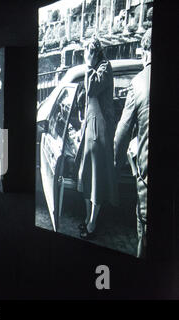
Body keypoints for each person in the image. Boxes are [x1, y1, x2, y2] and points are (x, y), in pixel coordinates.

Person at [114, 29, 152, 258]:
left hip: (148, 179)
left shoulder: (138, 83)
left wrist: (114, 165)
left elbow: (122, 132)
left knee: (145, 236)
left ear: (146, 52)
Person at [76, 37, 118, 239]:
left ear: (93, 52)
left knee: (96, 178)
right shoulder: (96, 68)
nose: (85, 57)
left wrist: (88, 66)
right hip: (91, 127)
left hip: (100, 129)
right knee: (86, 175)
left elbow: (92, 89)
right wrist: (82, 127)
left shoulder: (104, 68)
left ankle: (92, 223)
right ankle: (87, 218)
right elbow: (86, 103)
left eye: (87, 53)